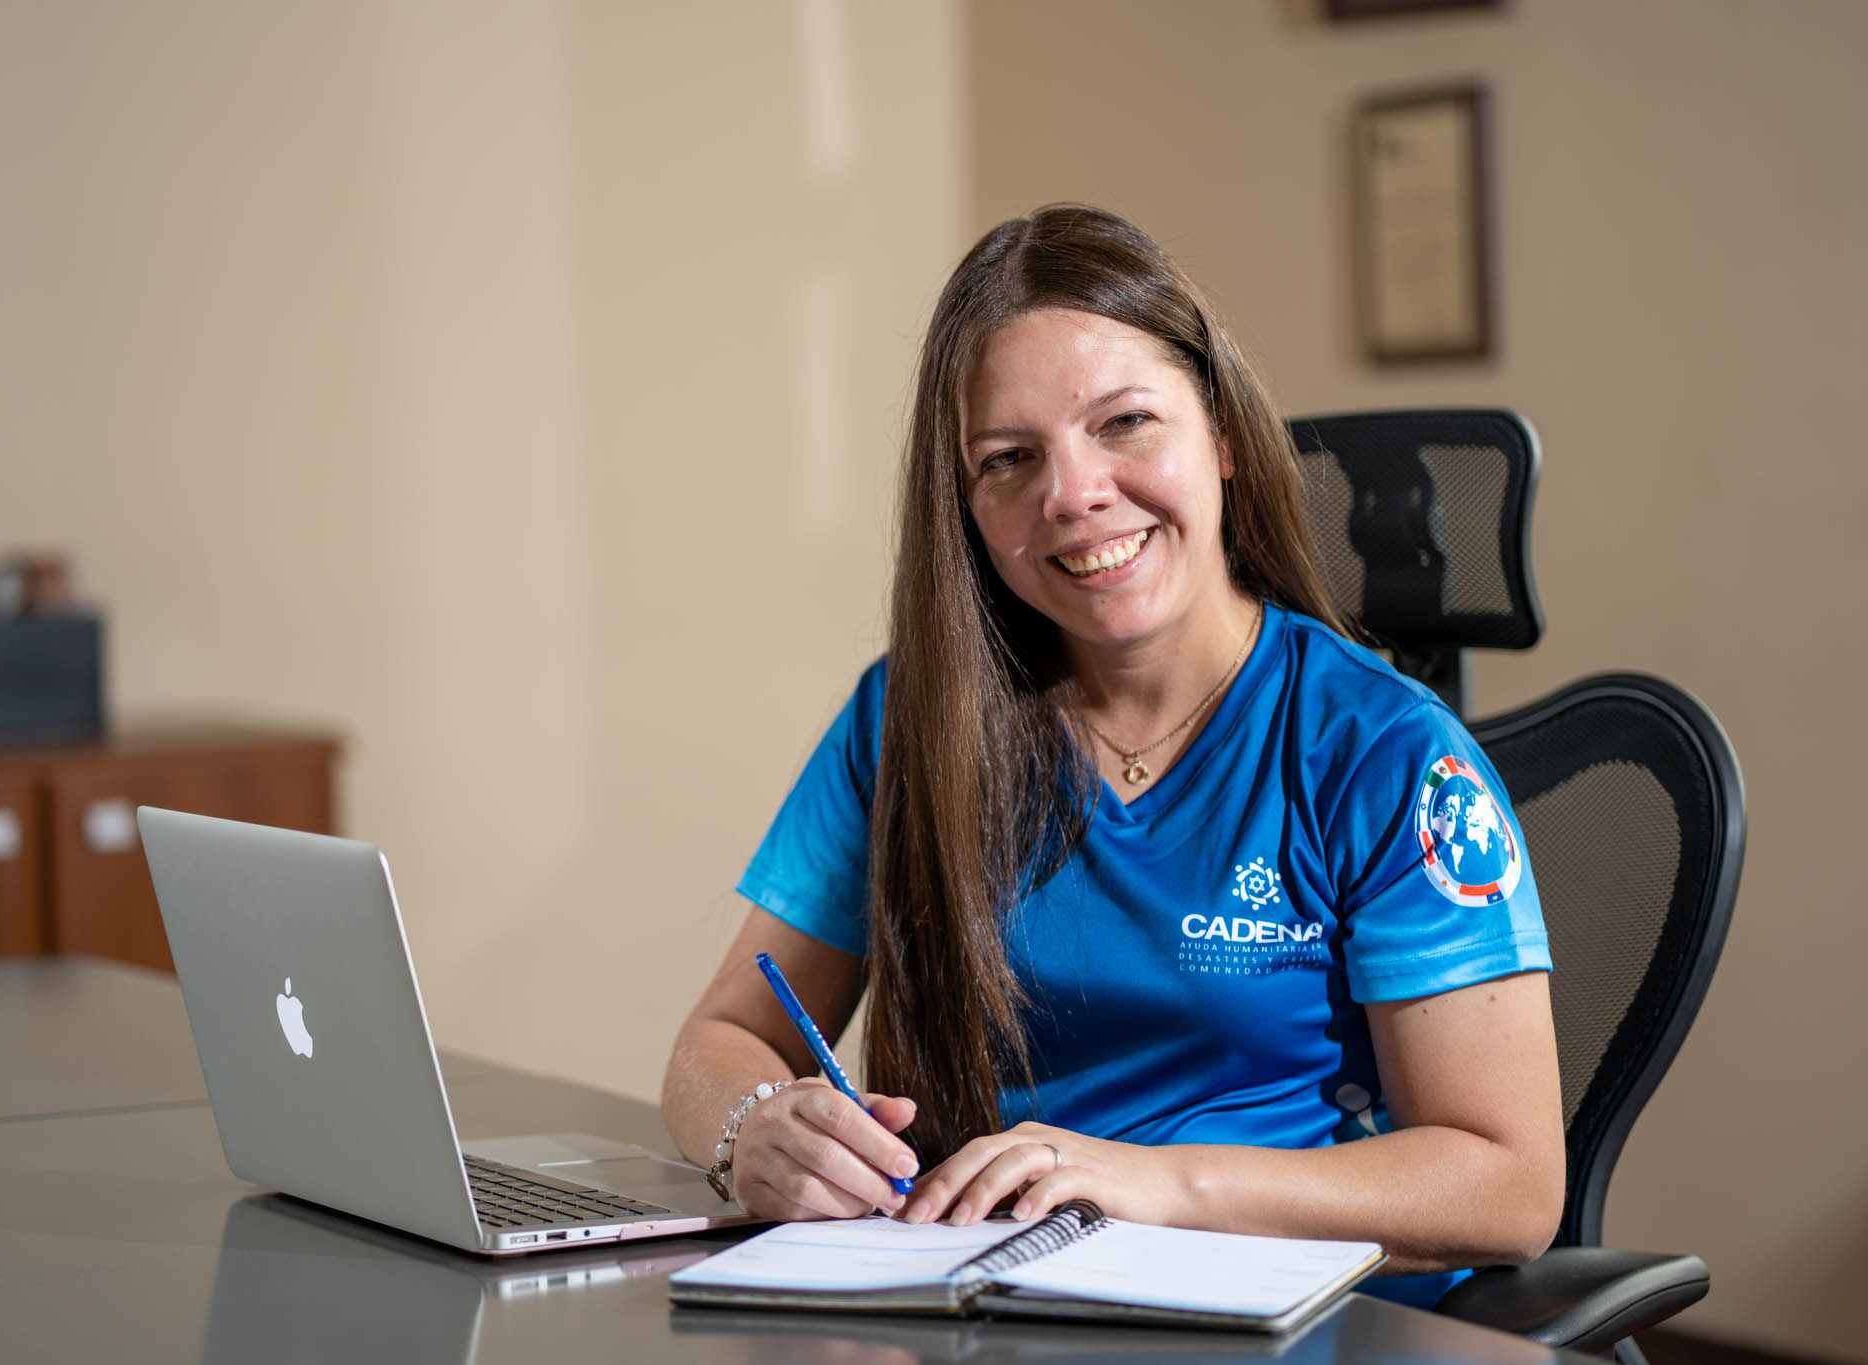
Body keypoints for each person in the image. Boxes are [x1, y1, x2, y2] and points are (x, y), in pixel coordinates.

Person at [661, 205, 1563, 1307]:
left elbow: (1508, 1186)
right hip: (990, 1304)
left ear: (1222, 436)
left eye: (1124, 423)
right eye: (1009, 459)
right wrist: (754, 1128)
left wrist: (1150, 1183)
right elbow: (720, 1038)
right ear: (966, 505)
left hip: (1286, 1320)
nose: (1073, 494)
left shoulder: (1379, 751)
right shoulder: (909, 718)